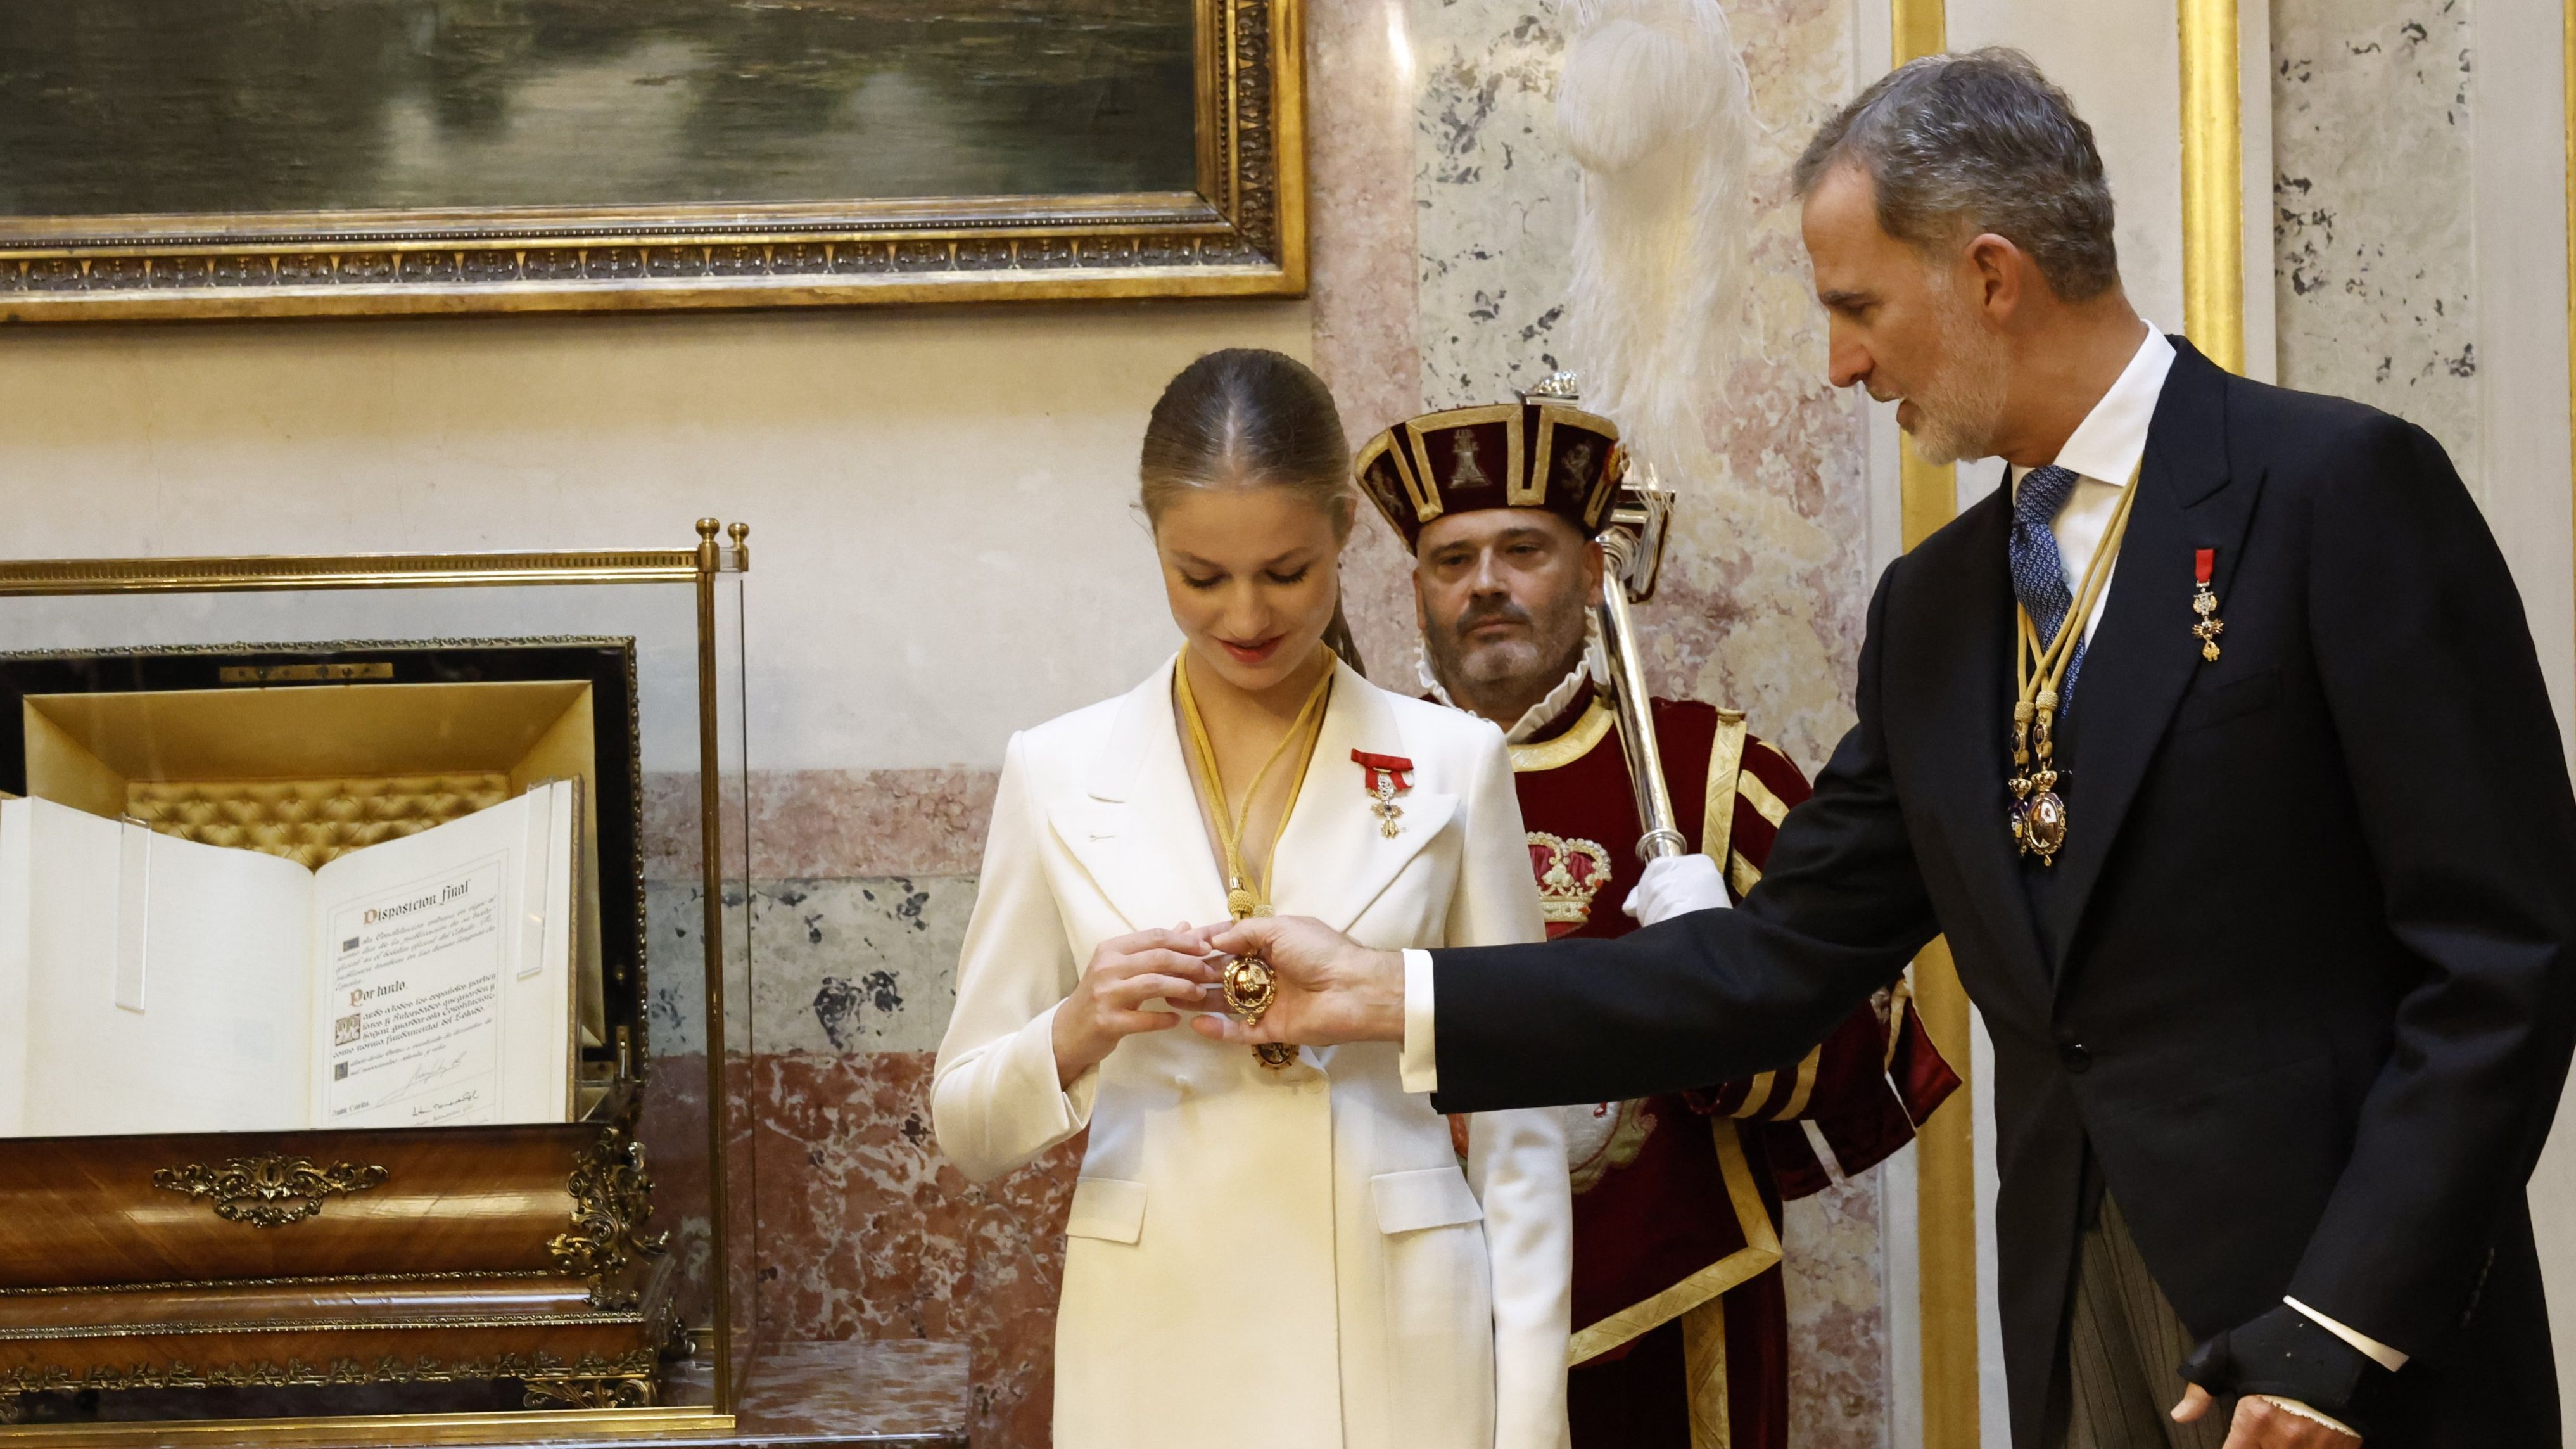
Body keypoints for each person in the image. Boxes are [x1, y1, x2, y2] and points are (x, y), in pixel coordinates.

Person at [1196, 51, 2576, 1449]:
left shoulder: (2336, 491)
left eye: (1856, 308)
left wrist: (2344, 1320)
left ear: (1990, 275)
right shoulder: (1937, 608)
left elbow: (2504, 956)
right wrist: (1388, 993)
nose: (1842, 364)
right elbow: (1768, 965)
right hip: (2079, 1328)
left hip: (2345, 1338)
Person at [930, 348, 1574, 1449]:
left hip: (1400, 1340)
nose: (1245, 615)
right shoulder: (1057, 771)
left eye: (1285, 572)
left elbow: (1522, 1129)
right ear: (1154, 544)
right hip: (1155, 1342)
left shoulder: (1454, 763)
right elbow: (967, 1127)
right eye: (1201, 576)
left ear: (1345, 530)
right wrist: (1078, 1028)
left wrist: (1530, 1425)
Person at [1360, 385, 1959, 1448]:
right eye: (1453, 560)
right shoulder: (1351, 785)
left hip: (1674, 1312)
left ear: (1596, 573)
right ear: (1417, 592)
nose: (1486, 583)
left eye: (1523, 551)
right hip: (1415, 1312)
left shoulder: (1709, 775)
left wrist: (1727, 981)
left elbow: (1870, 1042)